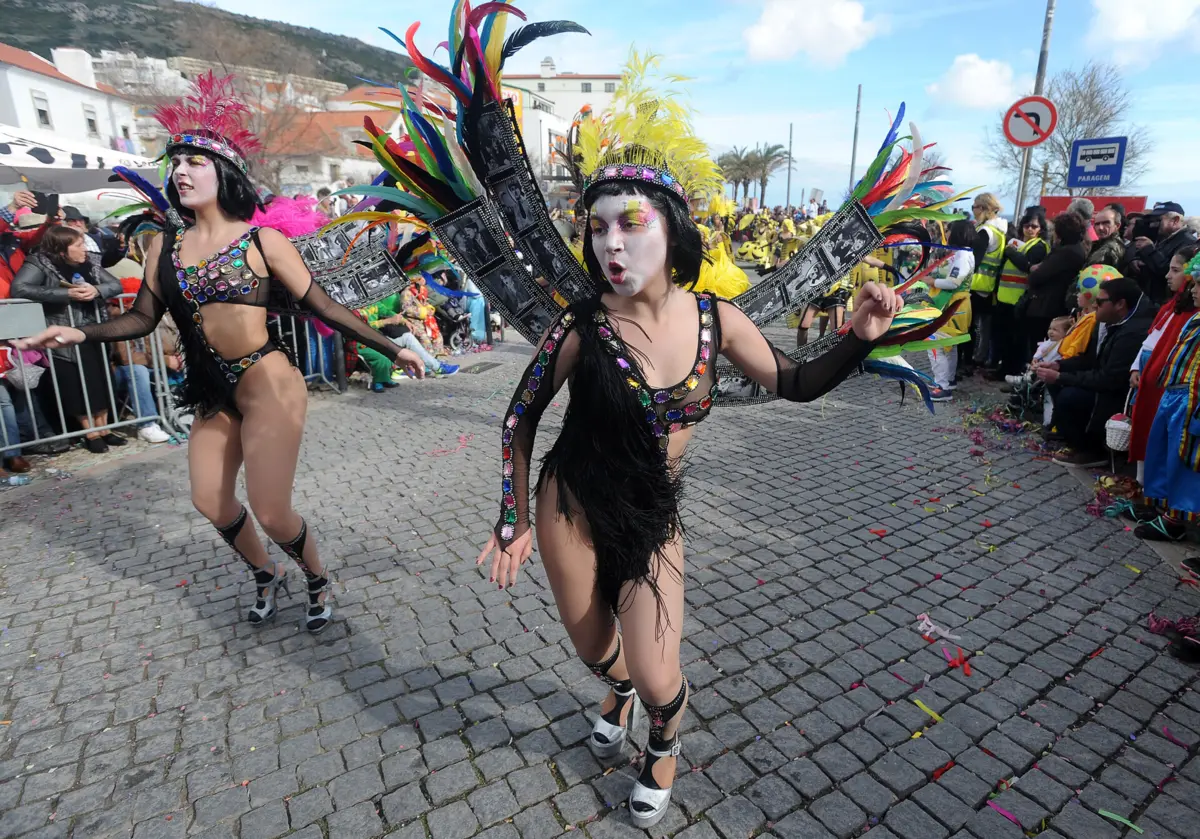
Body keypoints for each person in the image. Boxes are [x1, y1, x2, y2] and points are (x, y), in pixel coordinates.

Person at [15, 72, 425, 633]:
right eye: (175, 163)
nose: (180, 172)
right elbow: (142, 318)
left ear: (224, 174)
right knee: (210, 499)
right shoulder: (163, 245)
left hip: (268, 383)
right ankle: (265, 574)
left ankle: (315, 576)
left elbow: (324, 308)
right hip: (211, 388)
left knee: (273, 510)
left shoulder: (262, 241)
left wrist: (393, 345)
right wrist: (78, 333)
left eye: (195, 162)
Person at [11, 226, 125, 452]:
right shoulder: (40, 262)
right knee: (75, 384)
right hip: (62, 332)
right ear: (62, 249)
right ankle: (89, 433)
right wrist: (66, 293)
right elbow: (20, 288)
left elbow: (115, 284)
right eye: (79, 245)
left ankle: (105, 429)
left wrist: (96, 290)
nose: (85, 248)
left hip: (94, 329)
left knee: (100, 380)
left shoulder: (90, 262)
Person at [1036, 276, 1152, 466]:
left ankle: (1092, 449)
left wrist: (1061, 376)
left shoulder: (1132, 332)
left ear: (1120, 304)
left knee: (1069, 395)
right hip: (1105, 381)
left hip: (1118, 393)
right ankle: (1071, 437)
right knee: (1057, 384)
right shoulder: (1108, 322)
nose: (1094, 306)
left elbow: (1109, 378)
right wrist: (1059, 366)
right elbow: (1091, 359)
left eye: (1099, 302)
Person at [1137, 254, 1200, 542]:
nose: (1194, 289)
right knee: (1163, 452)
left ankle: (1176, 519)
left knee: (1183, 460)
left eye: (1199, 284)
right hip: (1175, 395)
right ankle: (1162, 506)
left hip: (1191, 401)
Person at [1126, 246, 1199, 486]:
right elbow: (1153, 337)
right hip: (1152, 371)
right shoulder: (1174, 304)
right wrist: (1137, 365)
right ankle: (1142, 484)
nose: (1168, 275)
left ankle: (1154, 490)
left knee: (1159, 435)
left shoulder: (1191, 311)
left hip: (1170, 383)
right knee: (1146, 428)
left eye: (1175, 270)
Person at [103, 296, 173, 443]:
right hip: (120, 373)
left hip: (150, 366)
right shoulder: (118, 321)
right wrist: (166, 360)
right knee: (137, 370)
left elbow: (164, 347)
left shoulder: (146, 317)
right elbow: (126, 357)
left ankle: (188, 413)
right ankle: (147, 425)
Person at [1024, 212, 1089, 363]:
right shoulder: (1077, 249)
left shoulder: (1066, 252)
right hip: (1053, 304)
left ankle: (1031, 379)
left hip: (1047, 306)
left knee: (1040, 347)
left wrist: (1036, 270)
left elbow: (1037, 277)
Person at [994, 207, 1049, 375]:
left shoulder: (1039, 246)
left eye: (1034, 226)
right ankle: (1004, 369)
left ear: (1041, 229)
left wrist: (1010, 252)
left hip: (1020, 300)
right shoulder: (1017, 242)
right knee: (1004, 338)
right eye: (1027, 225)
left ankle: (1013, 371)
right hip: (1004, 297)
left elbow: (1027, 265)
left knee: (1017, 341)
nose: (1030, 229)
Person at [926, 219, 976, 400]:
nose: (946, 234)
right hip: (955, 305)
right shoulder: (963, 254)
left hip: (953, 305)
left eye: (948, 231)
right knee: (949, 346)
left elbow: (952, 282)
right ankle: (948, 379)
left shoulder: (962, 255)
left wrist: (932, 281)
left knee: (935, 344)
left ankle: (942, 386)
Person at [964, 193, 1006, 377]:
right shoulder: (1000, 231)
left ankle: (970, 360)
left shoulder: (985, 232)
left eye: (974, 207)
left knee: (970, 325)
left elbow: (974, 260)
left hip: (977, 284)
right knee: (985, 326)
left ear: (983, 209)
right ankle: (981, 357)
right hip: (990, 286)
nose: (972, 211)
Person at [1129, 202, 1199, 305]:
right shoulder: (1162, 239)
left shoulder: (1188, 242)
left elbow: (1173, 272)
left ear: (1175, 221)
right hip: (1152, 299)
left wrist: (1150, 250)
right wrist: (1137, 258)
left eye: (1158, 220)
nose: (1153, 224)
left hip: (1168, 301)